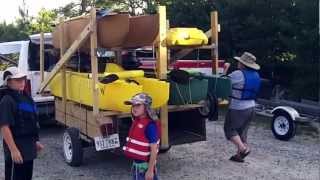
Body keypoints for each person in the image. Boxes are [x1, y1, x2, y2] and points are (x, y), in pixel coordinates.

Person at [0, 66, 44, 180]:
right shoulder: (7, 100)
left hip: (28, 149)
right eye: (18, 80)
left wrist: (36, 141)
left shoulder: (25, 97)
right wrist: (13, 150)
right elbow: (4, 127)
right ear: (8, 82)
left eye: (23, 79)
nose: (22, 82)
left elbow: (31, 121)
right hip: (17, 149)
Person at [224, 52, 261, 163]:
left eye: (239, 62)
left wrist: (225, 68)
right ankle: (239, 156)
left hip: (238, 108)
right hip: (251, 107)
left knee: (229, 130)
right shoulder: (256, 75)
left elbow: (223, 82)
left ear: (243, 64)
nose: (238, 63)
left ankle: (243, 149)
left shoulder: (238, 74)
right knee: (242, 132)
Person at [123, 93, 161, 180]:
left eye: (138, 105)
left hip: (145, 168)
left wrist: (150, 171)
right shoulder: (137, 122)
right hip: (137, 167)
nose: (134, 108)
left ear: (146, 107)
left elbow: (154, 150)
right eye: (133, 106)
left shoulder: (150, 126)